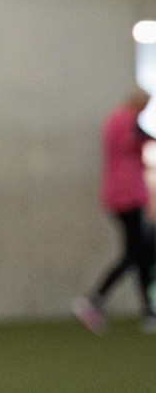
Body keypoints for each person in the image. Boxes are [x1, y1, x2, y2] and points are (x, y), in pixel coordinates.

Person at [75, 88, 155, 333]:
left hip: (123, 196)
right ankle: (95, 299)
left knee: (141, 254)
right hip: (126, 197)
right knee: (134, 254)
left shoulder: (118, 120)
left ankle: (148, 311)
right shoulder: (125, 120)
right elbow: (137, 139)